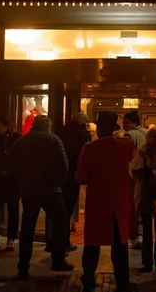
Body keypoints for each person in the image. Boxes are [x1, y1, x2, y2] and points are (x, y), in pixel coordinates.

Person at [74, 108, 137, 292]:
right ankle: (123, 282)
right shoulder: (127, 146)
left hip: (98, 203)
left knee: (92, 243)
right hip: (120, 202)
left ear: (100, 129)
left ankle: (88, 280)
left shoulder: (90, 149)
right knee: (120, 245)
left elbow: (80, 177)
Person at [9, 105, 72, 276]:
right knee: (60, 222)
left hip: (29, 189)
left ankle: (23, 266)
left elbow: (11, 165)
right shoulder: (53, 140)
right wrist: (60, 182)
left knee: (27, 228)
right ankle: (58, 260)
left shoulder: (21, 141)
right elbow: (63, 164)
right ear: (48, 126)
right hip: (51, 189)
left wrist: (21, 183)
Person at [58, 106, 93, 249]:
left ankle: (58, 239)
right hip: (74, 172)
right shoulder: (84, 135)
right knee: (69, 206)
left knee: (61, 207)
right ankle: (63, 240)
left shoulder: (62, 131)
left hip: (60, 172)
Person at [134, 122, 156, 272]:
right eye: (150, 136)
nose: (152, 139)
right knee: (147, 230)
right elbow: (134, 170)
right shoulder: (142, 152)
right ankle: (146, 262)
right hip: (146, 193)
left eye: (155, 136)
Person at [0, 117, 19, 253]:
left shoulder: (15, 137)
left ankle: (10, 238)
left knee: (13, 209)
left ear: (5, 125)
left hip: (12, 179)